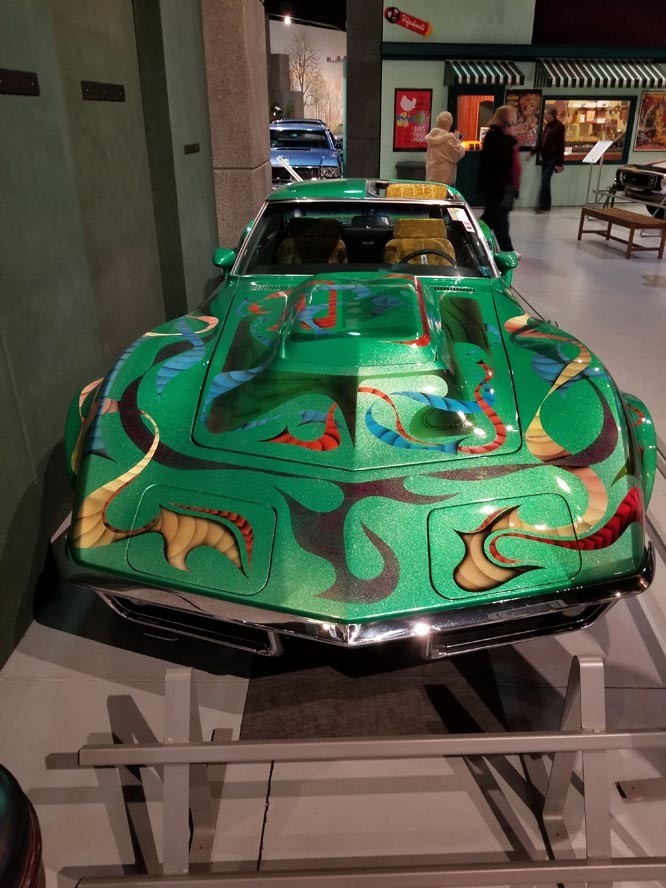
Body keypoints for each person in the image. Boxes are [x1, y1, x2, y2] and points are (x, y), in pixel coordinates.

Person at [477, 104, 520, 253]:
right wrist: (511, 138)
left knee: (493, 217)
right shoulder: (494, 135)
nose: (514, 119)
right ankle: (507, 250)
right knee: (499, 218)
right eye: (512, 116)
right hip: (496, 185)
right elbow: (495, 159)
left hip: (503, 185)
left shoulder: (502, 135)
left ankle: (473, 240)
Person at [530, 105, 565, 213]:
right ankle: (547, 204)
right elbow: (542, 141)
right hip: (546, 157)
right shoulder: (548, 126)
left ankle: (542, 205)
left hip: (553, 157)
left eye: (546, 113)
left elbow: (561, 144)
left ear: (551, 115)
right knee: (546, 181)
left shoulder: (559, 127)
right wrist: (533, 152)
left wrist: (560, 163)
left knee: (545, 180)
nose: (544, 115)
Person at [424, 111, 465, 186]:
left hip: (431, 176)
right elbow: (456, 155)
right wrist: (460, 145)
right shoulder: (448, 139)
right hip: (444, 179)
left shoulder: (432, 136)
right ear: (450, 124)